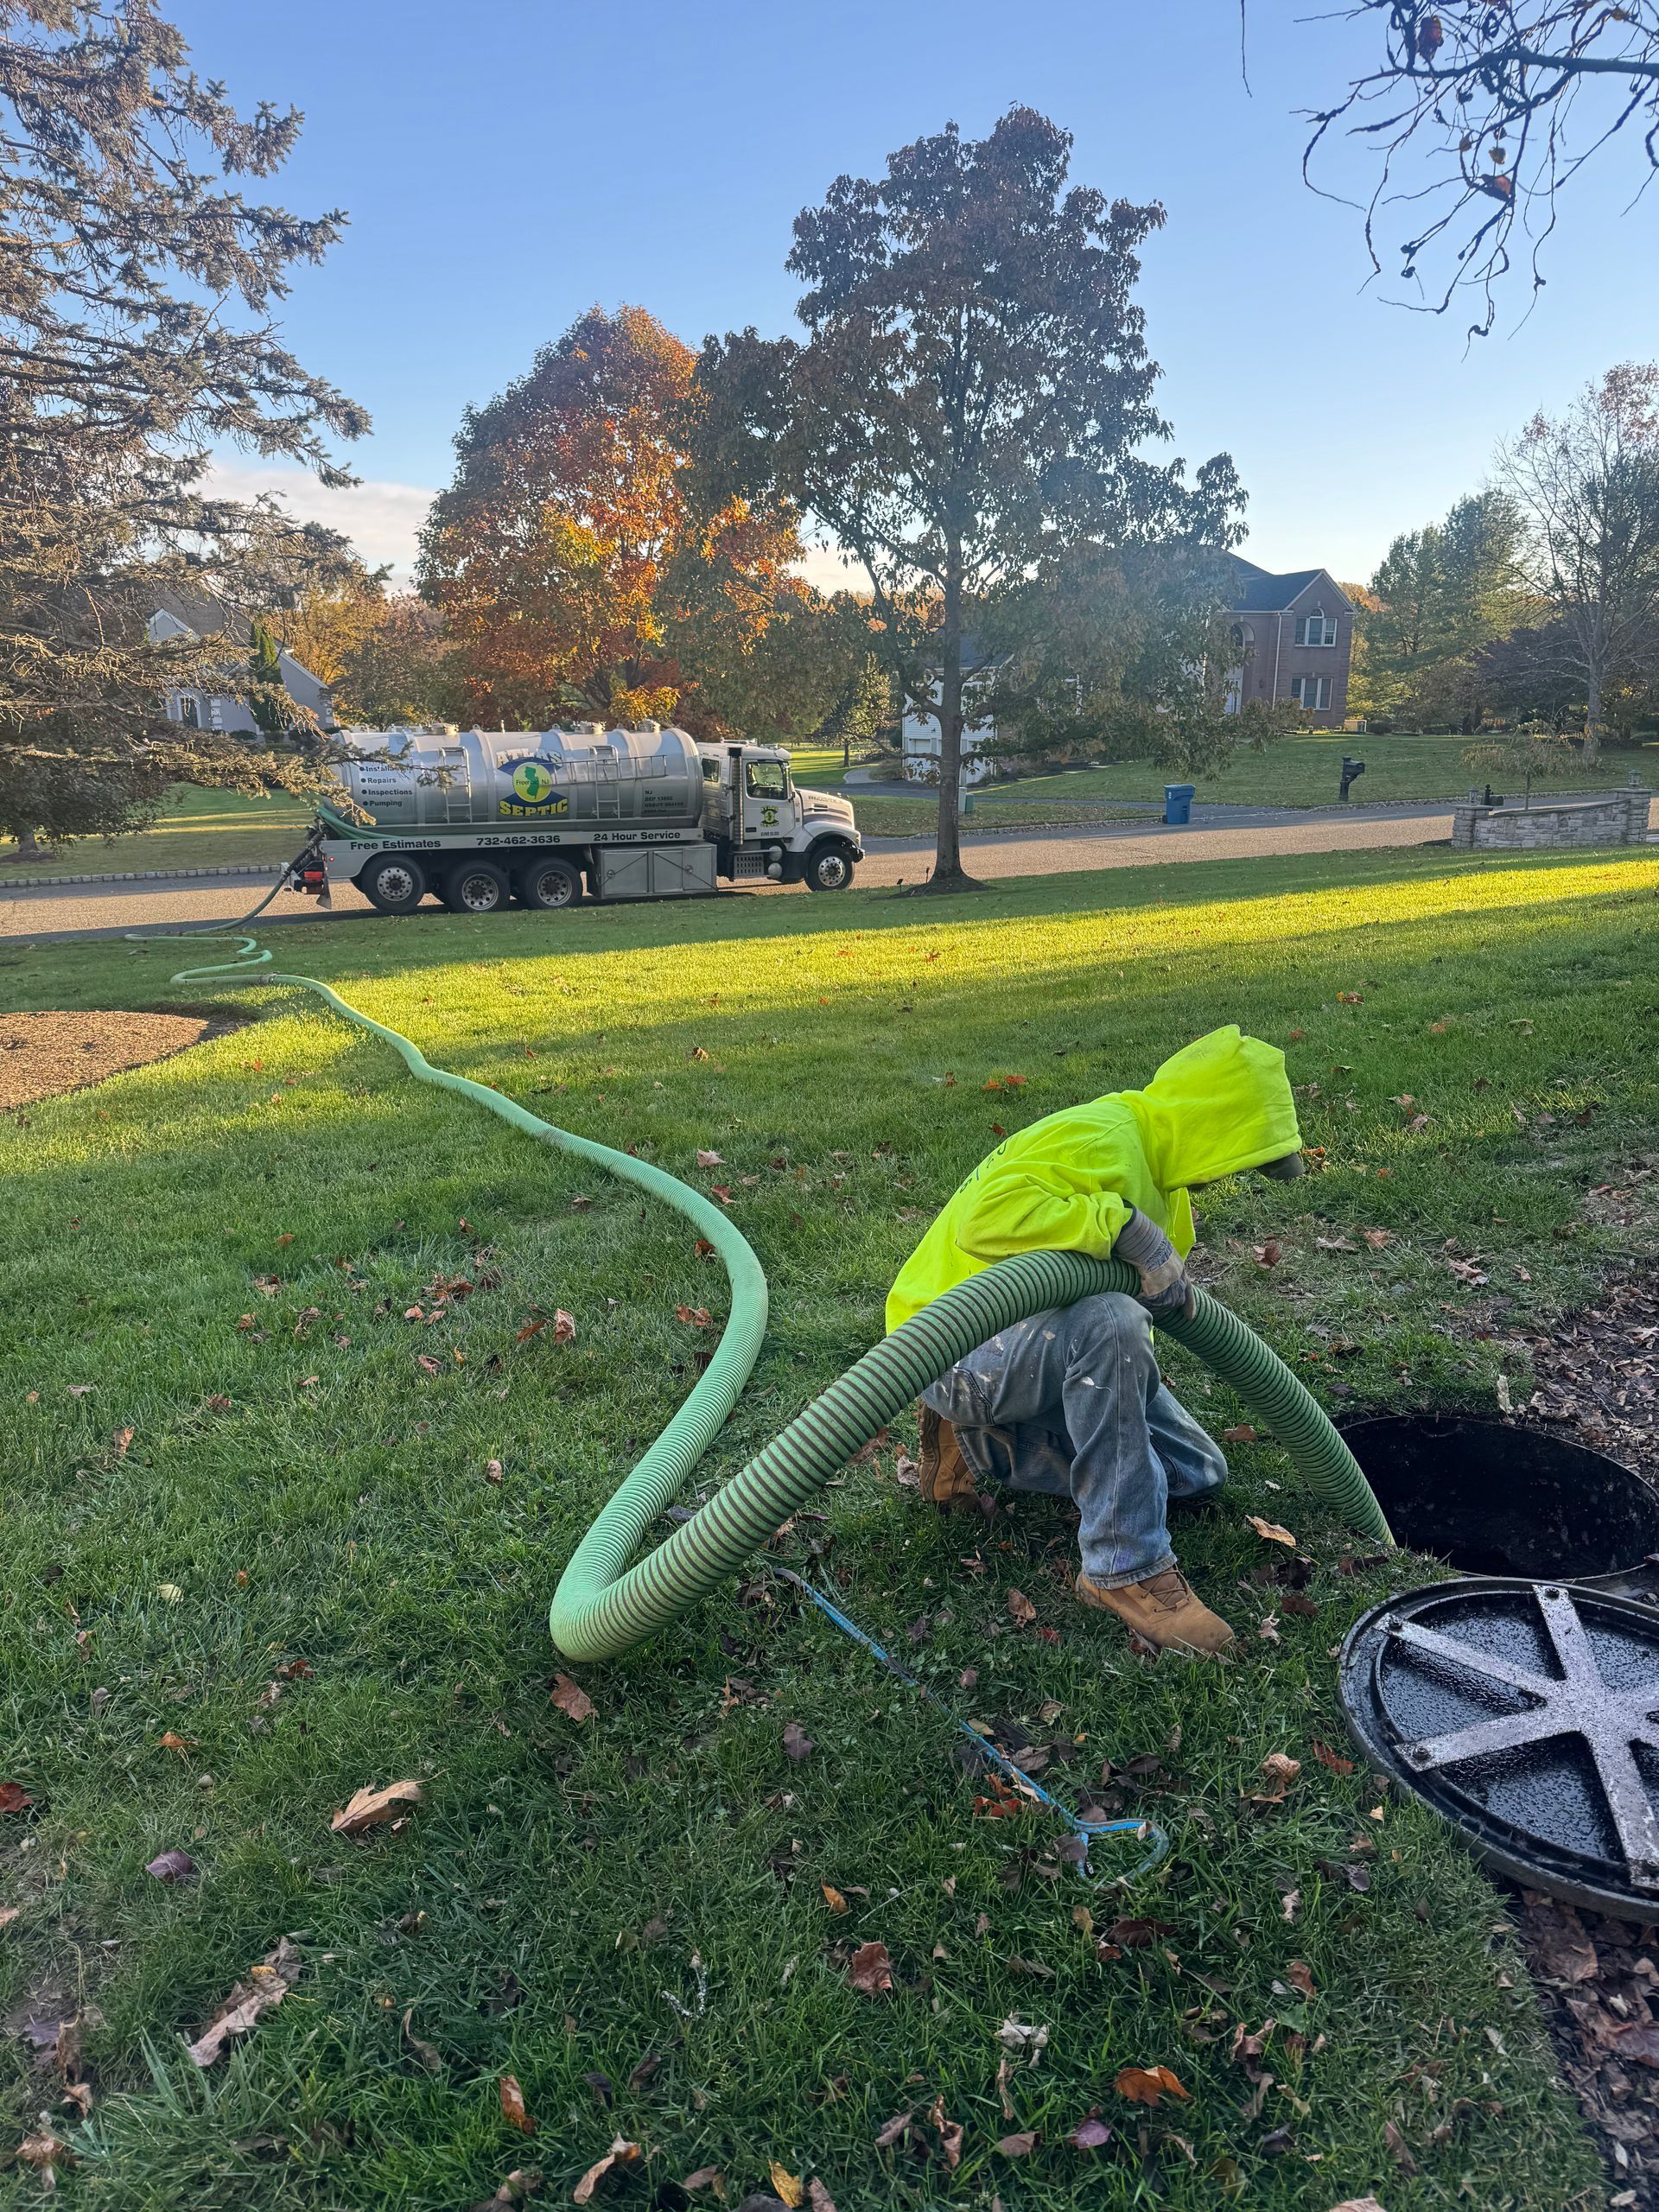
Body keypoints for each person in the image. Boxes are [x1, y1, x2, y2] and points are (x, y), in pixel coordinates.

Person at [886, 1026, 1304, 1657]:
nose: (1236, 1176)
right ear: (1209, 1123)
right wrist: (1123, 1228)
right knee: (1111, 1319)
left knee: (1197, 1475)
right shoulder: (1106, 1134)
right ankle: (1122, 1569)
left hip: (1038, 1346)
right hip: (950, 1344)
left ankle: (981, 1452)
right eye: (1242, 1156)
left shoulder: (1167, 1186)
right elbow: (985, 1218)